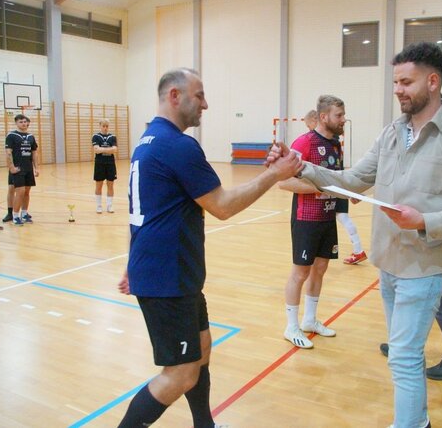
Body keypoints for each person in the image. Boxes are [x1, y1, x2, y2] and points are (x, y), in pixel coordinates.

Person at [271, 42, 442, 428]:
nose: (398, 90)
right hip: (388, 264)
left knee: (403, 357)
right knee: (404, 354)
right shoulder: (393, 132)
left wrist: (425, 220)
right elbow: (354, 179)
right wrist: (301, 167)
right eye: (395, 82)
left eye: (406, 82)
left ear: (433, 81)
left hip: (425, 266)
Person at [116, 68, 302, 428]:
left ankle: (206, 425)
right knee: (181, 373)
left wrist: (132, 262)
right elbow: (222, 206)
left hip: (171, 272)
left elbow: (144, 211)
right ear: (175, 96)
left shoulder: (149, 140)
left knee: (201, 351)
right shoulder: (177, 145)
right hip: (166, 278)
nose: (205, 104)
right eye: (199, 95)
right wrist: (273, 175)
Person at [380, 94, 442, 381]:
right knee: (432, 302)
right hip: (406, 249)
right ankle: (402, 340)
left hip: (432, 249)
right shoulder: (401, 134)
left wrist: (425, 221)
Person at [279, 97, 345, 349]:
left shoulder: (336, 145)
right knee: (301, 272)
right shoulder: (304, 142)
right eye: (339, 115)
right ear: (324, 117)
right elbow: (284, 182)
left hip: (327, 217)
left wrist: (347, 193)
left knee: (320, 268)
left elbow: (337, 180)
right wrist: (320, 187)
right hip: (306, 218)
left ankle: (309, 320)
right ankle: (291, 326)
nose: (343, 120)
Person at [304, 109, 368, 265]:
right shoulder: (331, 141)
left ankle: (358, 250)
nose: (309, 130)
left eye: (309, 126)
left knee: (342, 218)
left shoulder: (328, 143)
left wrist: (350, 190)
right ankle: (357, 250)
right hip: (337, 184)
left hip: (335, 186)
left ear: (316, 121)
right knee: (342, 217)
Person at [3, 114, 39, 225]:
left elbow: (34, 153)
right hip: (18, 168)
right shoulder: (11, 136)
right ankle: (15, 216)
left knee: (27, 192)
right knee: (20, 192)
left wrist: (36, 168)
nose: (23, 124)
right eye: (21, 122)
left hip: (28, 168)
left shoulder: (31, 136)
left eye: (25, 122)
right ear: (16, 123)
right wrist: (11, 167)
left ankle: (24, 213)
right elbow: (8, 152)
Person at [92, 118, 118, 213]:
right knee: (99, 185)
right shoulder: (96, 136)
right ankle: (98, 206)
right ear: (100, 126)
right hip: (99, 163)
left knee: (110, 185)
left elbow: (115, 149)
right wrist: (109, 149)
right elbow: (96, 150)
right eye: (103, 126)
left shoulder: (112, 137)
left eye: (107, 126)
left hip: (110, 163)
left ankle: (109, 206)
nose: (105, 128)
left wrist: (102, 149)